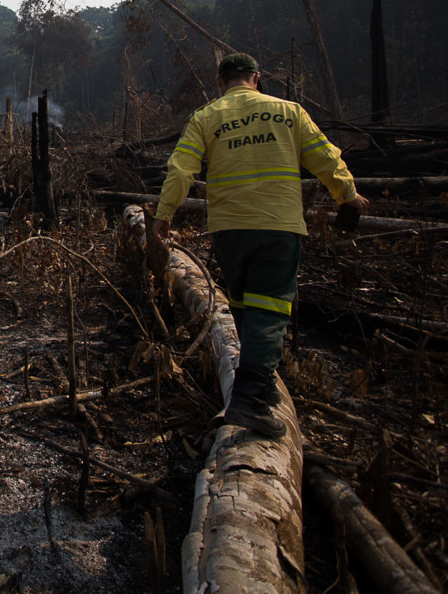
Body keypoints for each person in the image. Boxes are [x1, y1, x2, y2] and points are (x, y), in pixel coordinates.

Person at [148, 52, 369, 438]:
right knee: (268, 312)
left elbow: (181, 169)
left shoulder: (206, 117)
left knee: (245, 308)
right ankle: (249, 403)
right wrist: (348, 196)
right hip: (277, 226)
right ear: (256, 77)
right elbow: (325, 158)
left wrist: (164, 216)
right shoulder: (289, 111)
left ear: (220, 83)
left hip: (229, 230)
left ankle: (258, 388)